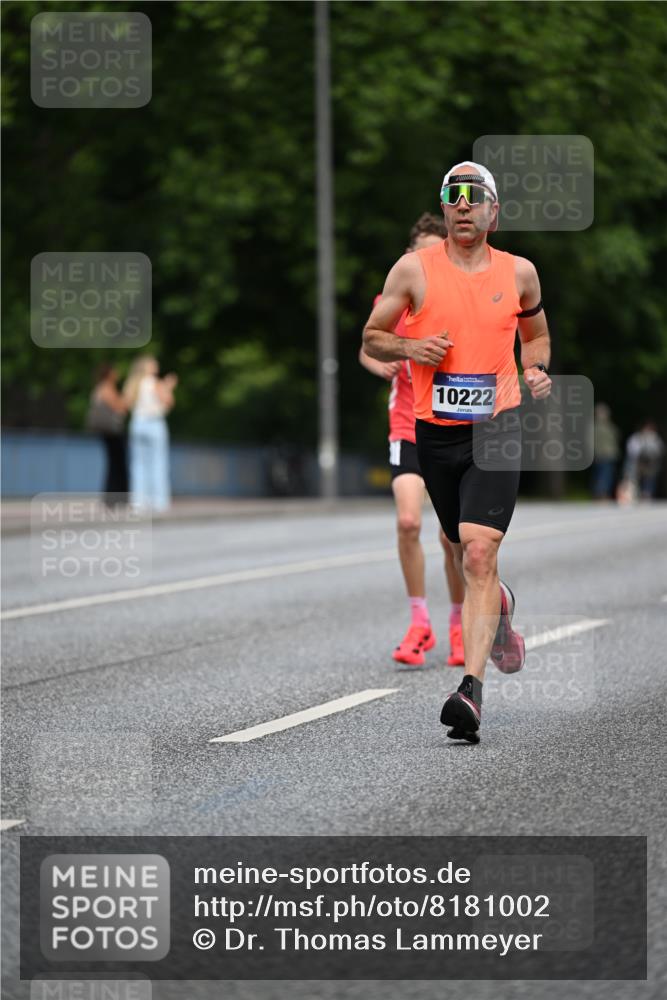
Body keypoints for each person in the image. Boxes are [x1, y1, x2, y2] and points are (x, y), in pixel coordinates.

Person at [363, 162, 552, 743]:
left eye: (475, 196)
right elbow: (372, 336)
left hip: (495, 428)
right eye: (454, 196)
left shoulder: (519, 273)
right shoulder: (414, 270)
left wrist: (536, 367)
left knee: (475, 553)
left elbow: (536, 334)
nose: (464, 205)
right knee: (456, 543)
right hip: (435, 433)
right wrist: (412, 345)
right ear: (445, 208)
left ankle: (469, 691)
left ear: (493, 210)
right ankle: (501, 606)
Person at [359, 213, 465, 667]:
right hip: (407, 426)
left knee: (450, 537)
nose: (419, 259)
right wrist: (380, 362)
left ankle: (459, 625)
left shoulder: (460, 296)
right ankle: (419, 623)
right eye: (414, 250)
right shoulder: (395, 296)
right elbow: (368, 345)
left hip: (451, 427)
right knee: (408, 523)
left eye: (429, 251)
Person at [123, 356, 177, 513]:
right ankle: (159, 502)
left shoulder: (133, 384)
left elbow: (126, 404)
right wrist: (169, 387)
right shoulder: (154, 382)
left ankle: (139, 502)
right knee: (158, 463)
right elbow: (168, 401)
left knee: (138, 464)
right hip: (154, 423)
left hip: (137, 423)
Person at [86, 363, 129, 506]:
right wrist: (127, 397)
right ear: (109, 374)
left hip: (107, 433)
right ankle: (116, 498)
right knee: (117, 464)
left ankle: (114, 498)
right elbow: (120, 406)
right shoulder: (106, 389)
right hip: (112, 432)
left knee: (114, 463)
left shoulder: (100, 388)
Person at [623, 420, 665, 500]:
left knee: (650, 477)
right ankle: (633, 494)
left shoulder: (655, 438)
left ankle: (647, 493)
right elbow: (631, 450)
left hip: (650, 463)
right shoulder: (636, 437)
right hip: (637, 461)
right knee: (633, 477)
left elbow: (660, 450)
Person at [591, 402, 620, 501]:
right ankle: (601, 494)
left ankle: (602, 494)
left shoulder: (609, 427)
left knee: (606, 475)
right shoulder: (595, 427)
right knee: (603, 475)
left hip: (609, 455)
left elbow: (615, 438)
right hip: (601, 455)